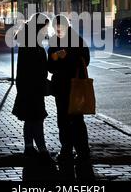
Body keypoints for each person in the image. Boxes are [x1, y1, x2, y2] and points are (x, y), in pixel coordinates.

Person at [48, 15, 91, 164]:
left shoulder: (77, 40)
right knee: (63, 120)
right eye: (56, 28)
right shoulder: (53, 41)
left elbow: (86, 59)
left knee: (77, 120)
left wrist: (68, 56)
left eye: (60, 28)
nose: (58, 31)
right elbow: (50, 66)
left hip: (75, 86)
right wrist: (55, 56)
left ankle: (82, 151)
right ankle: (66, 149)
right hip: (61, 87)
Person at [12, 13, 53, 162]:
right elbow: (35, 68)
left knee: (31, 119)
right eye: (45, 27)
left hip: (27, 87)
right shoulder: (32, 44)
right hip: (32, 88)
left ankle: (29, 147)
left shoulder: (29, 41)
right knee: (37, 118)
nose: (46, 31)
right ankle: (42, 150)